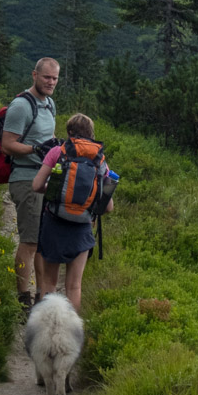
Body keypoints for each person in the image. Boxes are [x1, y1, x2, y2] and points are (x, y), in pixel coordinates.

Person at [31, 113, 113, 314]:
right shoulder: (99, 160)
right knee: (74, 286)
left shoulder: (57, 152)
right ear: (91, 134)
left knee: (49, 282)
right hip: (82, 228)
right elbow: (108, 206)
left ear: (69, 133)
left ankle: (47, 328)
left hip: (54, 222)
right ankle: (69, 333)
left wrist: (55, 190)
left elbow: (36, 185)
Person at [1, 57, 60, 314]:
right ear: (34, 75)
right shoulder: (21, 106)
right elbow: (7, 144)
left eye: (55, 78)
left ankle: (41, 296)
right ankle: (23, 299)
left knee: (41, 242)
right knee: (29, 242)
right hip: (26, 180)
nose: (51, 82)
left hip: (45, 180)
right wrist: (36, 148)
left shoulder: (50, 105)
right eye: (46, 77)